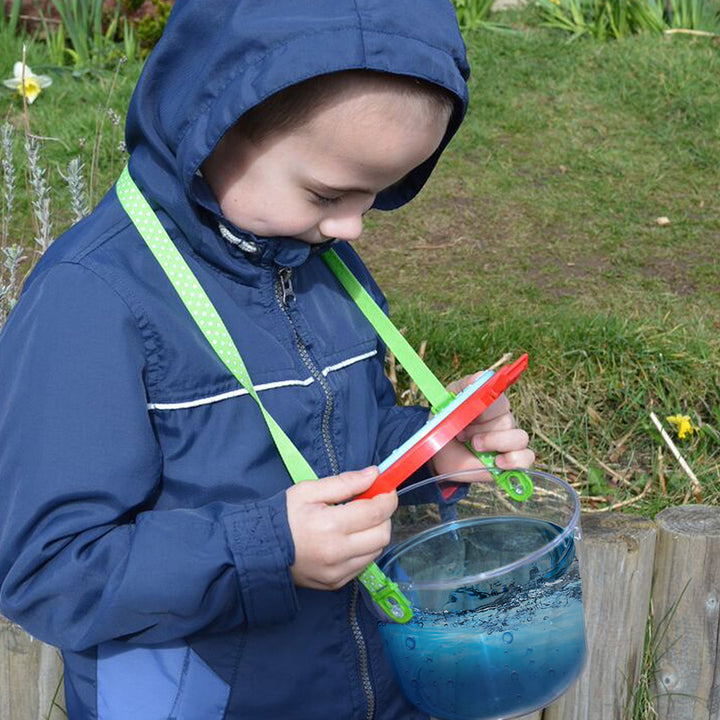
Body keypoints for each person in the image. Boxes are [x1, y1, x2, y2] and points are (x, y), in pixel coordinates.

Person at [0, 1, 533, 718]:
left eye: (379, 195)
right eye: (327, 193)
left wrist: (428, 449)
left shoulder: (313, 262)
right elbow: (49, 571)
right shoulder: (92, 300)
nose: (350, 226)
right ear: (212, 124)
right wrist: (266, 550)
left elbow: (346, 457)